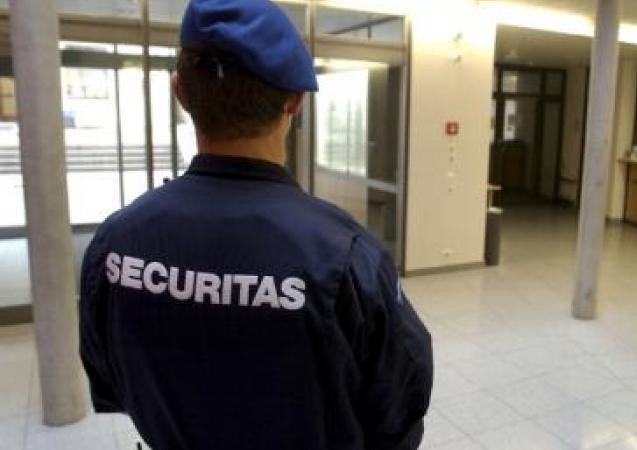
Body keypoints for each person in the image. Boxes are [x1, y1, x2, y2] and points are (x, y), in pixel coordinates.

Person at [78, 0, 433, 449]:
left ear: (180, 92)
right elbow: (399, 406)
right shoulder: (347, 257)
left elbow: (112, 380)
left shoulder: (115, 246)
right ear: (296, 100)